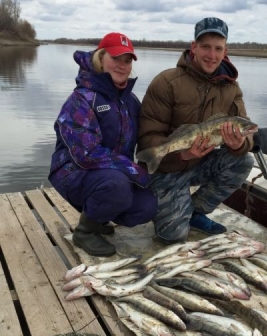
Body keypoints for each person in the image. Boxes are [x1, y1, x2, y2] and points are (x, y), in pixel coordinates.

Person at [138, 17, 254, 244]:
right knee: (173, 235)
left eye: (218, 48)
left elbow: (248, 130)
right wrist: (183, 154)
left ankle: (194, 212)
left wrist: (239, 144)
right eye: (205, 47)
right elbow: (146, 139)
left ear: (225, 51)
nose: (212, 55)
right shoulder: (166, 82)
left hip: (200, 163)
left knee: (244, 161)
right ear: (194, 47)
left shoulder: (231, 88)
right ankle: (173, 207)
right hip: (167, 168)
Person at [49, 32, 157, 257]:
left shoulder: (131, 100)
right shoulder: (81, 99)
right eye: (116, 58)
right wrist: (133, 171)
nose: (122, 65)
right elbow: (86, 154)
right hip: (72, 171)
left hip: (111, 174)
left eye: (127, 60)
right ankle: (85, 232)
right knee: (116, 186)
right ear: (101, 58)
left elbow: (149, 135)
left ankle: (98, 218)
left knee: (147, 205)